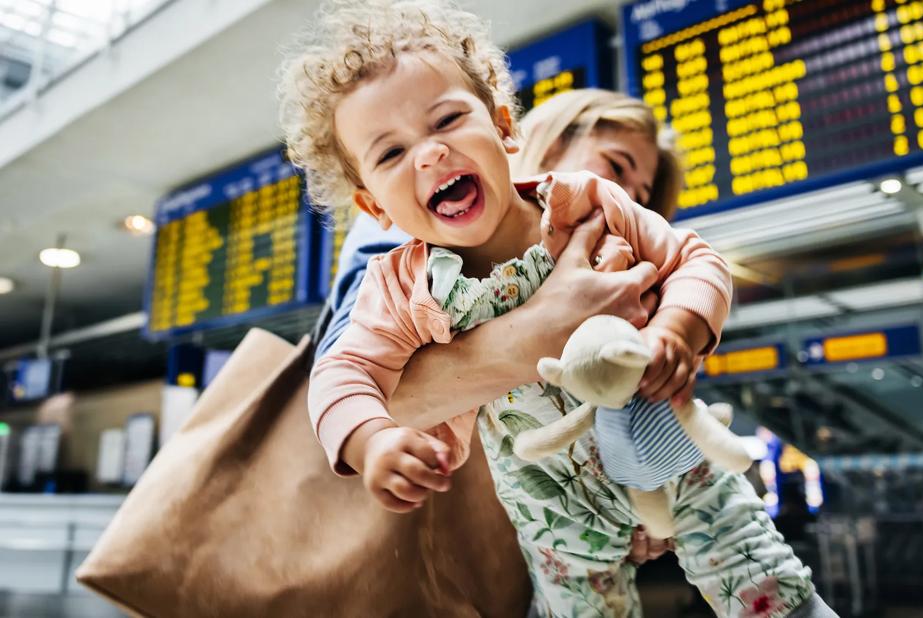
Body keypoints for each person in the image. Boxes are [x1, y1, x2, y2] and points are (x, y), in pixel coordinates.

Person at [280, 2, 834, 615]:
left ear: (501, 126)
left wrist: (679, 328)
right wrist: (372, 442)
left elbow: (695, 260)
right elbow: (342, 372)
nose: (429, 154)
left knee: (759, 576)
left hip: (668, 454)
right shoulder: (398, 286)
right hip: (549, 511)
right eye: (390, 154)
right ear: (374, 207)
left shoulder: (588, 205)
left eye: (447, 120)